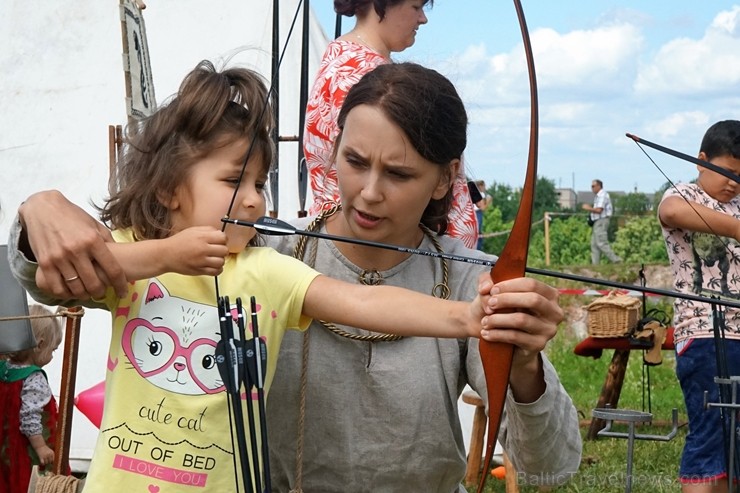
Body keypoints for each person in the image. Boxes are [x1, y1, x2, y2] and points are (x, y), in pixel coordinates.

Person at [6, 60, 566, 493]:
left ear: (446, 180)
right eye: (354, 162)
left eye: (399, 173)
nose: (369, 192)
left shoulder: (475, 283)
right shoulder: (259, 247)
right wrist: (38, 210)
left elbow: (551, 465)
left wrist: (513, 352)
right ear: (331, 152)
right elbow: (47, 276)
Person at [304, 0, 479, 249]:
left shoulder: (344, 59)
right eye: (416, 6)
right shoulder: (364, 76)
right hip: (374, 252)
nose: (422, 19)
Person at [658, 119, 740, 493]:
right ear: (701, 160)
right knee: (710, 434)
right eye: (726, 172)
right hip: (704, 333)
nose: (733, 183)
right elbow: (672, 213)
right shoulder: (681, 194)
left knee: (736, 441)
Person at [0, 304, 63, 493]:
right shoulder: (34, 378)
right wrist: (41, 447)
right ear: (41, 344)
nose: (51, 355)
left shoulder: (4, 370)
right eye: (53, 349)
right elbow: (29, 417)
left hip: (4, 447)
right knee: (26, 485)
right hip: (25, 451)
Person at [582, 179, 621, 264]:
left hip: (601, 221)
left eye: (593, 186)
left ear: (599, 186)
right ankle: (595, 265)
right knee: (594, 244)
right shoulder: (598, 196)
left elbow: (599, 210)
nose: (592, 188)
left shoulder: (602, 195)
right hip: (597, 222)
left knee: (601, 242)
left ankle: (616, 260)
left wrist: (588, 208)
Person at [472, 179, 492, 250]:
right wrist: (488, 201)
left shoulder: (472, 193)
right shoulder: (480, 194)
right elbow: (483, 207)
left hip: (472, 213)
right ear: (480, 186)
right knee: (478, 234)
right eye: (484, 186)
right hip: (477, 213)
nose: (484, 188)